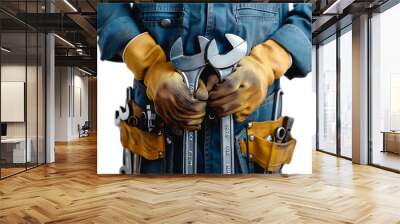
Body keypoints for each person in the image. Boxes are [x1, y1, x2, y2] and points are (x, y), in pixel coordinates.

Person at [98, 3, 312, 174]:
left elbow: (309, 12)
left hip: (250, 140)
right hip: (159, 130)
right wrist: (149, 64)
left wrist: (269, 61)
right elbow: (108, 9)